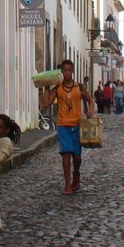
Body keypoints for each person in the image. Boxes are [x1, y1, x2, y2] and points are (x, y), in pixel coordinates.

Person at [40, 59, 95, 195]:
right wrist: (46, 87)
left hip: (77, 124)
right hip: (63, 124)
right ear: (61, 72)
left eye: (69, 70)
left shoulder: (79, 87)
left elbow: (90, 100)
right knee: (66, 154)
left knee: (76, 157)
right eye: (64, 70)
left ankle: (76, 174)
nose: (67, 73)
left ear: (73, 71)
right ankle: (67, 185)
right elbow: (46, 104)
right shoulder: (57, 88)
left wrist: (90, 111)